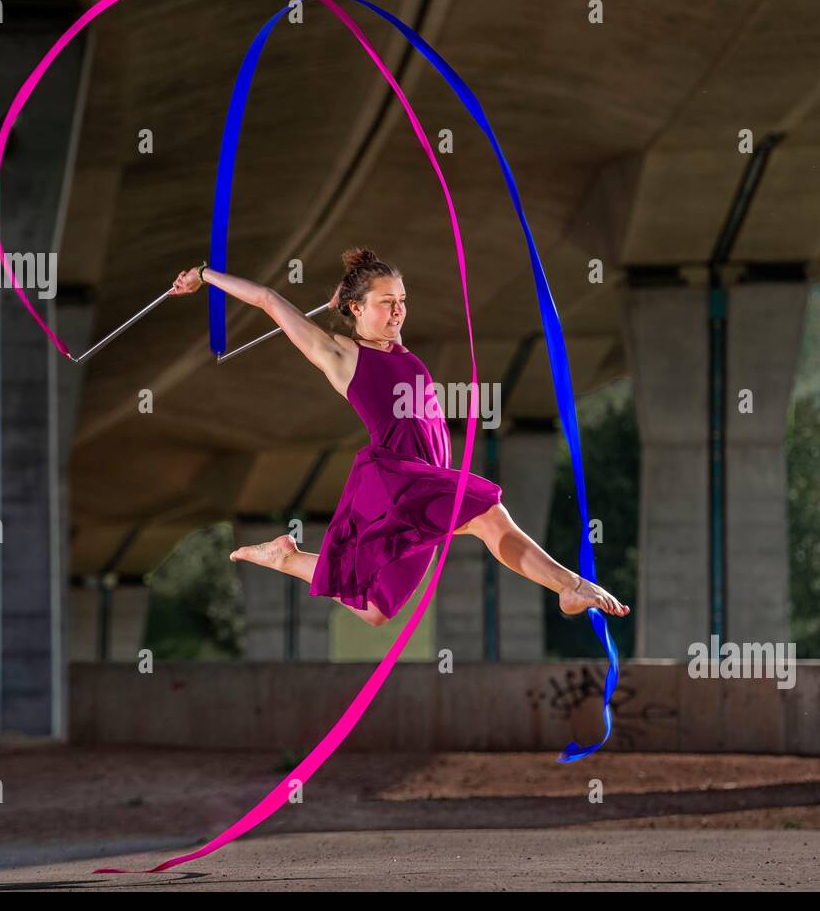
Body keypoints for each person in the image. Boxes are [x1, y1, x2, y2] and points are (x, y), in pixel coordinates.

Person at [169, 246, 629, 627]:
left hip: (427, 476)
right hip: (397, 479)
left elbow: (368, 290)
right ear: (356, 309)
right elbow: (269, 299)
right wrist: (206, 276)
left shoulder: (399, 348)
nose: (398, 311)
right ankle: (571, 586)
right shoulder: (341, 355)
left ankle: (285, 559)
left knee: (373, 611)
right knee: (490, 516)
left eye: (402, 299)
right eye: (386, 302)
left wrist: (354, 290)